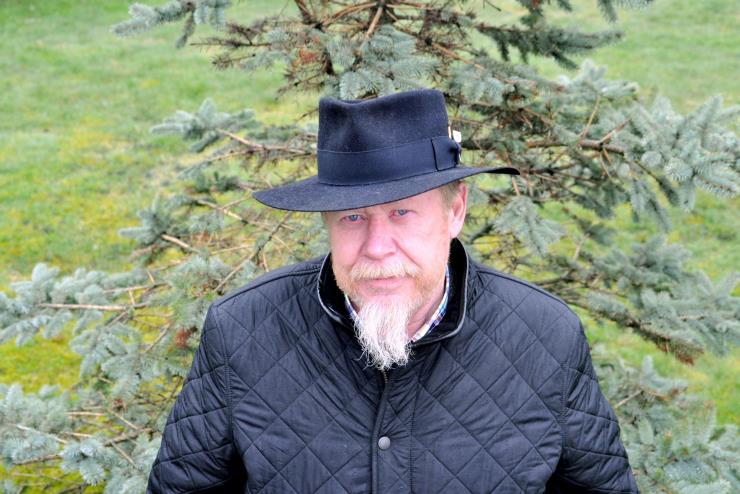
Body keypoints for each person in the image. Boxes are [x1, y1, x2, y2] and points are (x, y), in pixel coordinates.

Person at [147, 89, 638, 493]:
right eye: (352, 217)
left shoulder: (546, 337)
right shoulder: (242, 330)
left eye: (402, 212)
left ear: (455, 211)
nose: (377, 247)